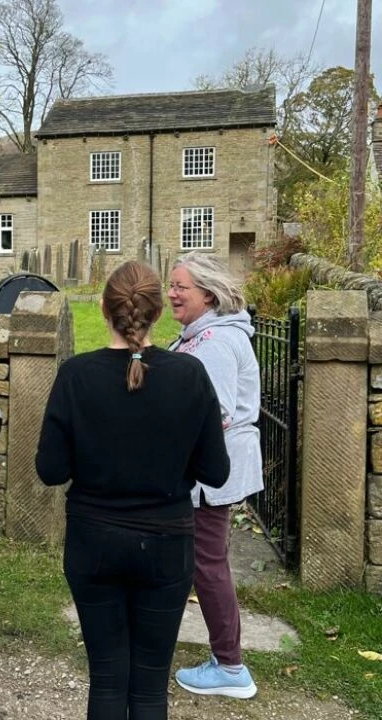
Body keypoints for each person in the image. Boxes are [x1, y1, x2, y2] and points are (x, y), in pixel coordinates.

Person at [35, 260, 230, 720]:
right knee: (149, 687)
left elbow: (51, 469)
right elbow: (216, 472)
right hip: (166, 546)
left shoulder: (76, 376)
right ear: (159, 312)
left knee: (106, 679)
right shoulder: (190, 376)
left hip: (93, 542)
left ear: (103, 308)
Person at [168, 251, 263, 700]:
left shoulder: (218, 343)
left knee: (207, 565)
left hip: (210, 473)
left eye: (180, 287)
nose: (171, 294)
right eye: (172, 286)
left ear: (207, 294)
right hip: (201, 471)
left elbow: (216, 413)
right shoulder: (200, 336)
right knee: (193, 561)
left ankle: (230, 667)